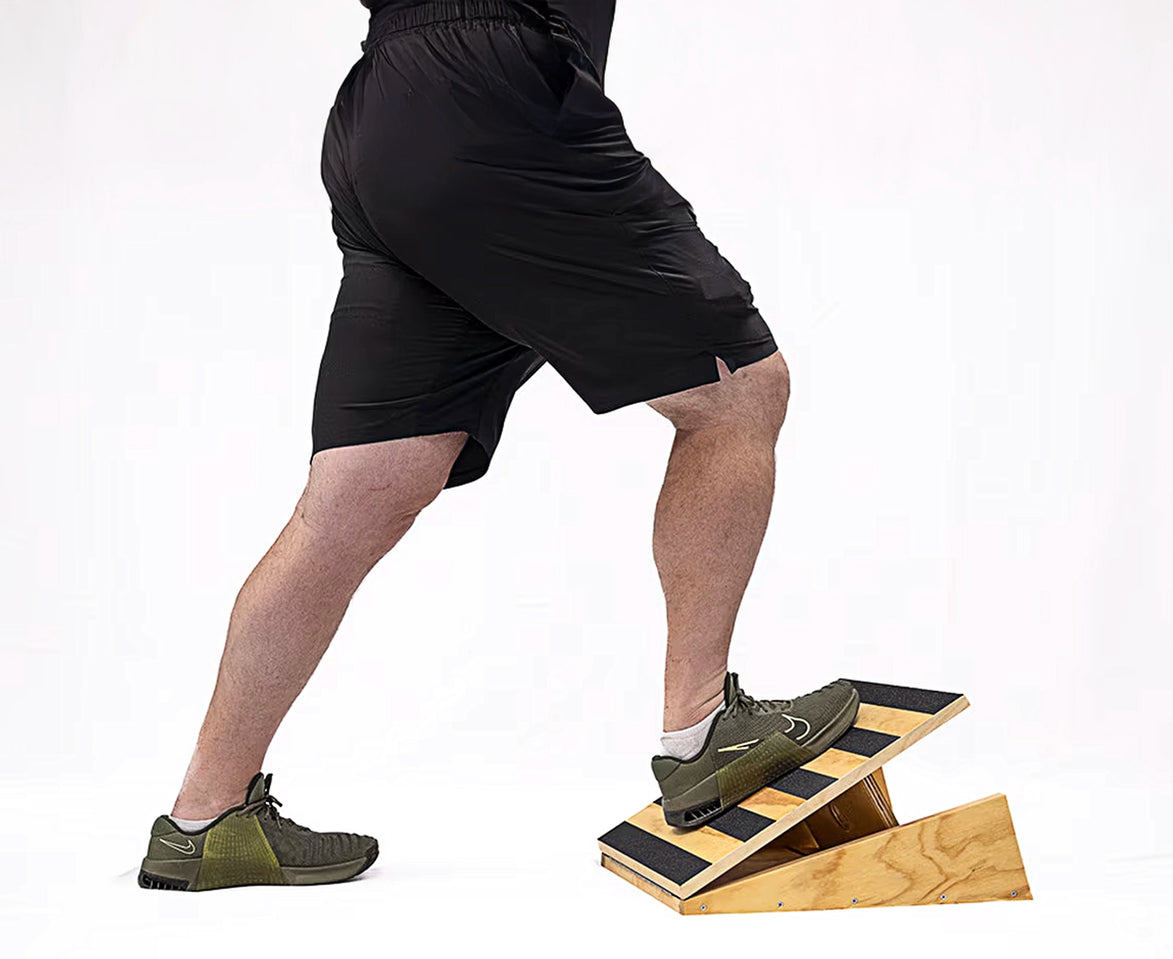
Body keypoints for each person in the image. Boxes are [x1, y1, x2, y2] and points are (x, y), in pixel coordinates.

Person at [137, 0, 859, 893]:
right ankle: (704, 730)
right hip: (497, 96)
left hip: (383, 117)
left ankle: (203, 819)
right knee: (741, 390)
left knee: (360, 489)